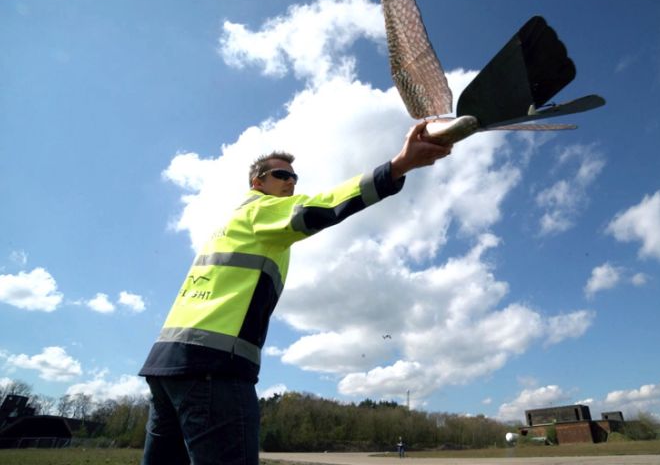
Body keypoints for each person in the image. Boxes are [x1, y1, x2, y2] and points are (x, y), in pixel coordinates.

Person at [138, 121, 452, 464]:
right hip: (213, 368)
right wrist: (398, 166)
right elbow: (321, 206)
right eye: (281, 175)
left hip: (166, 367)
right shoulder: (260, 210)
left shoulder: (231, 224)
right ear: (258, 182)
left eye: (294, 177)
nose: (291, 182)